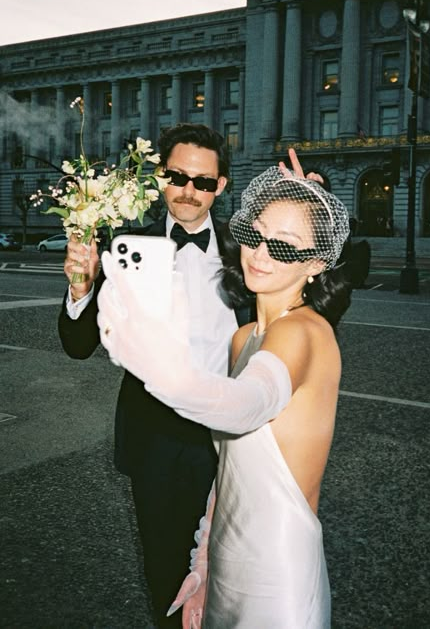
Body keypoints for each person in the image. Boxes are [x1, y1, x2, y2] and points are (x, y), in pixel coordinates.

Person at [96, 166, 352, 628]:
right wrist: (203, 563)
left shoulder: (305, 332)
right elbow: (229, 470)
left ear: (316, 263)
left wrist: (156, 357)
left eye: (285, 245)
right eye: (258, 234)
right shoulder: (247, 337)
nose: (261, 254)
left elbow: (244, 406)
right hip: (226, 556)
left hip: (277, 567)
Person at [58, 123, 262, 627]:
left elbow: (317, 288)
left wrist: (309, 200)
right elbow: (78, 345)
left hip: (238, 437)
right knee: (167, 573)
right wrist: (81, 286)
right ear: (159, 178)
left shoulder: (248, 254)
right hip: (159, 438)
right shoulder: (128, 246)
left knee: (239, 572)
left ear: (223, 185)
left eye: (205, 182)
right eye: (177, 176)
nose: (190, 191)